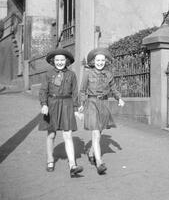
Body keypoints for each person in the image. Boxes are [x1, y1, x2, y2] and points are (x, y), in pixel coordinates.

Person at [79, 47, 125, 175]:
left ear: (106, 61)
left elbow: (114, 89)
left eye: (102, 60)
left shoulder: (108, 74)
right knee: (96, 134)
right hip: (92, 103)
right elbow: (82, 90)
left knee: (99, 131)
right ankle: (99, 162)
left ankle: (91, 152)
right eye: (98, 60)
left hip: (104, 104)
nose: (100, 62)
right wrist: (81, 104)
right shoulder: (88, 73)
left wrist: (119, 98)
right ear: (94, 61)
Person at [39, 48, 83, 177]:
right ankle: (50, 160)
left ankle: (72, 165)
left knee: (67, 135)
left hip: (67, 105)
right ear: (53, 61)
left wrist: (77, 109)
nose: (59, 62)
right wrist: (44, 104)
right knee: (51, 135)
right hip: (52, 105)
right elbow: (43, 91)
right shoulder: (48, 74)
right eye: (57, 60)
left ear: (67, 61)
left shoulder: (71, 75)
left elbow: (75, 93)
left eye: (62, 60)